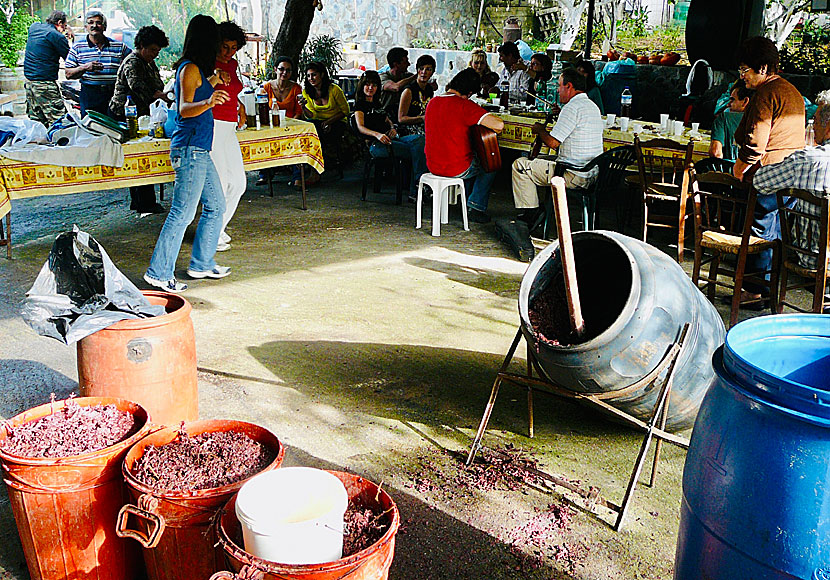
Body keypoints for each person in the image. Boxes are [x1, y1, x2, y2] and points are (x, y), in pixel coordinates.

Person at [144, 15, 231, 293]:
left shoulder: (197, 71)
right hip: (190, 149)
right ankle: (159, 273)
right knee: (182, 212)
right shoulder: (188, 68)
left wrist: (214, 82)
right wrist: (209, 99)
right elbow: (184, 109)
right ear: (207, 41)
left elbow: (197, 93)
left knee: (216, 206)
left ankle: (202, 264)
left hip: (199, 149)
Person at [742, 90, 830, 308]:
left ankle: (757, 290)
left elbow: (760, 181)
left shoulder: (808, 160)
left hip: (814, 257)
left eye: (815, 120)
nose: (813, 126)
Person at [511, 67, 604, 224]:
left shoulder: (572, 108)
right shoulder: (591, 106)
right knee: (537, 159)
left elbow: (553, 143)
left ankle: (532, 213)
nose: (558, 90)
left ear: (569, 86)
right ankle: (536, 209)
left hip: (573, 175)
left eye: (560, 86)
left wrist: (540, 130)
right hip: (592, 173)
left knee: (520, 165)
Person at [424, 68, 504, 223]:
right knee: (490, 163)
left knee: (471, 158)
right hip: (455, 168)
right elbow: (499, 125)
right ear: (469, 92)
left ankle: (465, 200)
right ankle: (476, 206)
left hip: (432, 165)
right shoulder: (464, 106)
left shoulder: (432, 102)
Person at [109, 25, 170, 215]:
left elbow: (158, 84)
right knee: (139, 158)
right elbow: (139, 88)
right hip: (126, 115)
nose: (155, 54)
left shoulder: (148, 62)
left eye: (157, 51)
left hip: (143, 115)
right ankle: (144, 202)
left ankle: (142, 201)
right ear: (141, 45)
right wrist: (160, 95)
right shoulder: (132, 63)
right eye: (153, 50)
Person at [733, 36, 805, 182]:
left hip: (766, 174)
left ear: (763, 68)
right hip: (792, 173)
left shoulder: (765, 94)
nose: (742, 76)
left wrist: (738, 169)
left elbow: (756, 144)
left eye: (745, 69)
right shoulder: (793, 92)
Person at [353, 70, 427, 200]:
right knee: (418, 151)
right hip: (377, 144)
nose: (371, 88)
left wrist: (392, 127)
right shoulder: (360, 105)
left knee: (420, 140)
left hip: (392, 139)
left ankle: (417, 187)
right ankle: (417, 189)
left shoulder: (377, 103)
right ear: (362, 85)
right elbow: (361, 127)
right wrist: (377, 135)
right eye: (367, 84)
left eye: (374, 85)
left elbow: (387, 120)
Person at [210, 21, 247, 253]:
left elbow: (232, 92)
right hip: (211, 125)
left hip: (229, 126)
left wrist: (240, 105)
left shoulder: (232, 64)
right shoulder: (204, 64)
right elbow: (193, 93)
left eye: (234, 47)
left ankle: (218, 228)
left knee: (239, 182)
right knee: (221, 183)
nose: (229, 52)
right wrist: (213, 76)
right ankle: (211, 234)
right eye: (225, 46)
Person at [65, 10, 130, 116]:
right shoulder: (77, 47)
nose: (94, 26)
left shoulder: (119, 47)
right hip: (90, 95)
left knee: (115, 128)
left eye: (98, 23)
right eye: (90, 22)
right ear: (86, 27)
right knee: (91, 128)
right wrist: (85, 67)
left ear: (104, 27)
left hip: (114, 94)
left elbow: (134, 63)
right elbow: (68, 74)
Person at [256, 56, 303, 186]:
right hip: (271, 125)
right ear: (275, 69)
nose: (284, 73)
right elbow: (261, 109)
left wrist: (289, 126)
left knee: (296, 140)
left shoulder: (296, 88)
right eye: (281, 69)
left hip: (291, 125)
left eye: (288, 70)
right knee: (264, 138)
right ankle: (264, 174)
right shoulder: (266, 87)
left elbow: (298, 112)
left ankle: (297, 176)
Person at [299, 61, 350, 179]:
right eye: (308, 76)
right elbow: (311, 115)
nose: (311, 78)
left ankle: (315, 170)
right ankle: (311, 166)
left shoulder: (334, 90)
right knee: (310, 131)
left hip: (337, 121)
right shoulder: (307, 92)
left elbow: (345, 111)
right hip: (318, 123)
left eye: (314, 75)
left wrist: (328, 122)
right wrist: (303, 107)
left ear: (322, 75)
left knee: (318, 133)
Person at [23, 10, 70, 127]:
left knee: (36, 124)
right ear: (59, 23)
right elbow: (70, 59)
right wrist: (67, 38)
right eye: (65, 26)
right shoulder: (57, 36)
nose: (65, 28)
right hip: (45, 85)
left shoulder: (34, 27)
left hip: (29, 83)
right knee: (60, 122)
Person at [709, 79, 751, 162]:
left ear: (745, 101)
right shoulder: (767, 122)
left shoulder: (723, 118)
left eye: (732, 100)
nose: (728, 104)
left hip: (729, 172)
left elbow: (716, 153)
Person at [397, 54, 435, 136]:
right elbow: (401, 119)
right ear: (417, 70)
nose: (424, 72)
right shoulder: (409, 90)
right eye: (421, 69)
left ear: (432, 72)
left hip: (423, 126)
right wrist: (421, 118)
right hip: (408, 129)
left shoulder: (429, 90)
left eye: (428, 69)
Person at [379, 47, 414, 122]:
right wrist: (415, 77)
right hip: (385, 118)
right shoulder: (383, 77)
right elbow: (396, 87)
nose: (408, 64)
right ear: (396, 64)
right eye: (405, 62)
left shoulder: (407, 76)